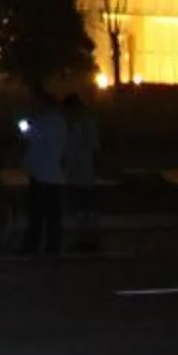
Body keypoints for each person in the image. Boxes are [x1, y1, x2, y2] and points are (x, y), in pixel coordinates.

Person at [21, 92, 68, 254]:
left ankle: (34, 245)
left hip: (42, 175)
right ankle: (53, 245)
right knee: (53, 215)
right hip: (53, 174)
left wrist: (23, 124)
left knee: (37, 213)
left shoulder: (45, 122)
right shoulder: (59, 123)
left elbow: (30, 136)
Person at [62, 89, 102, 250]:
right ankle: (82, 239)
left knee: (86, 207)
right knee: (78, 207)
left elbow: (94, 148)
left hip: (84, 172)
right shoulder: (69, 126)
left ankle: (89, 239)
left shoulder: (85, 125)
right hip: (73, 172)